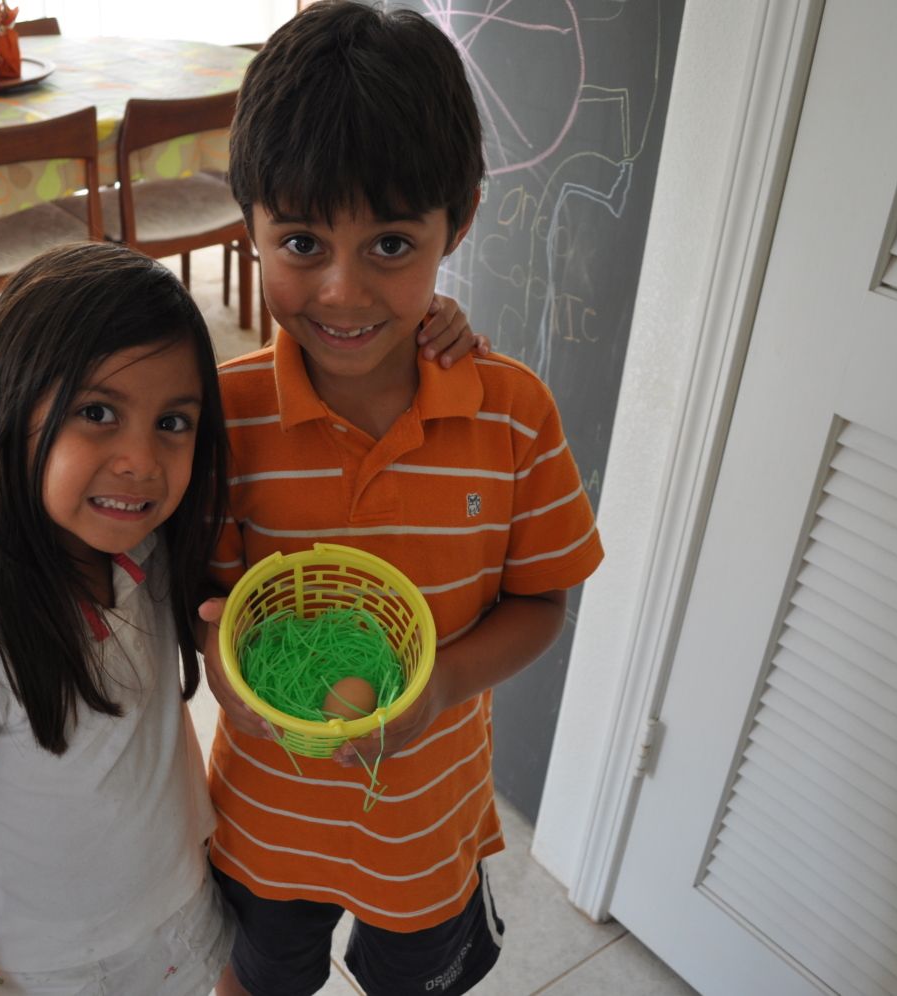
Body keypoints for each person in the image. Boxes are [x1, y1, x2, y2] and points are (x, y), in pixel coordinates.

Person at [197, 4, 606, 995]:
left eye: (390, 245)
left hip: (426, 825)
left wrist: (442, 687)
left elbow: (543, 601)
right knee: (253, 979)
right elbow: (208, 602)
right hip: (266, 819)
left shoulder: (512, 415)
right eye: (301, 242)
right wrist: (223, 671)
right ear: (248, 225)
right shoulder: (225, 416)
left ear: (456, 223)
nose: (343, 292)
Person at [0, 242, 235, 995]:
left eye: (173, 421)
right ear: (9, 409)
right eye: (97, 413)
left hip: (176, 907)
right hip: (56, 971)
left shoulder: (145, 543)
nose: (142, 460)